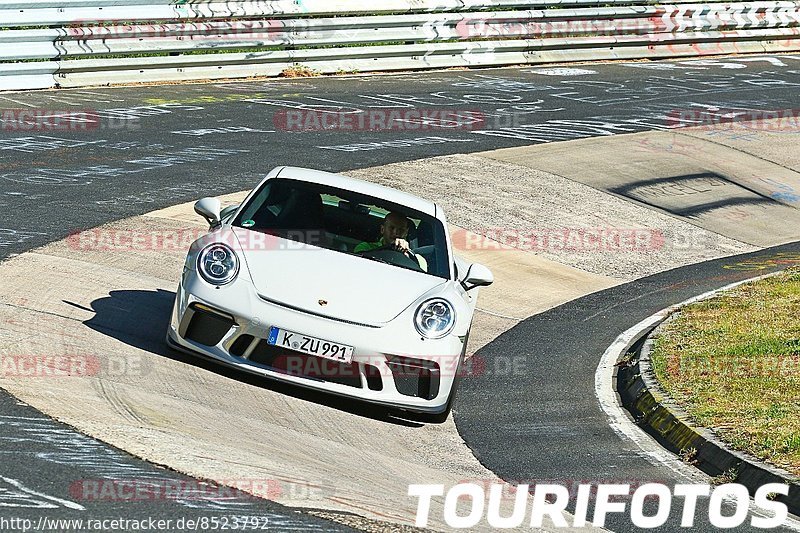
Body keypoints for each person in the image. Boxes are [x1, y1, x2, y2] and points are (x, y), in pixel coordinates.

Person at [354, 212, 428, 272]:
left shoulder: (419, 260)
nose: (396, 232)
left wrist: (406, 255)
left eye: (401, 229)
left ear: (406, 232)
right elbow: (357, 267)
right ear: (382, 229)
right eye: (392, 228)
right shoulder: (365, 247)